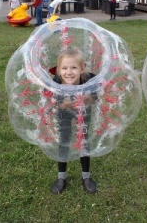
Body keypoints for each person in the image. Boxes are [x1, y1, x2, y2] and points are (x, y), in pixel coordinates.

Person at [50, 46, 97, 194]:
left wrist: (87, 98)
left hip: (83, 112)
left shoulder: (89, 79)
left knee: (83, 139)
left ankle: (86, 176)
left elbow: (95, 95)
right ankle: (61, 177)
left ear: (82, 69)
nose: (69, 72)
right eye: (64, 68)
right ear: (58, 70)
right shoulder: (56, 81)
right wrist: (65, 104)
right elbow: (55, 101)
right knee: (64, 140)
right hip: (64, 113)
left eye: (74, 68)